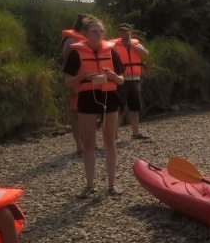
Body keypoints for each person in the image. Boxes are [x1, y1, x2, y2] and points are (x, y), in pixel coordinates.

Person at [63, 17, 125, 198]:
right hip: (87, 99)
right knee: (89, 144)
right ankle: (90, 185)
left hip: (109, 98)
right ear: (86, 34)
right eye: (95, 31)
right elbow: (68, 82)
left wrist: (112, 76)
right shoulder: (76, 54)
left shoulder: (112, 52)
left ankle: (112, 184)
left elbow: (121, 80)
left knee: (110, 142)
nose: (99, 34)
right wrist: (82, 76)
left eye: (101, 31)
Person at [59, 14, 93, 154]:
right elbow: (69, 65)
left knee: (89, 113)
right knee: (76, 114)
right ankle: (79, 146)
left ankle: (88, 144)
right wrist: (73, 87)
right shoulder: (71, 41)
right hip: (76, 80)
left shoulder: (86, 40)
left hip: (89, 81)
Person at [111, 23, 150, 140]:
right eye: (122, 31)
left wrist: (131, 46)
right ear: (119, 33)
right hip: (121, 80)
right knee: (119, 108)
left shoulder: (136, 44)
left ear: (130, 32)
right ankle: (114, 135)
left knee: (134, 108)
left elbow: (145, 54)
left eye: (126, 31)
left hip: (135, 80)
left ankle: (136, 133)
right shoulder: (114, 45)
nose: (124, 33)